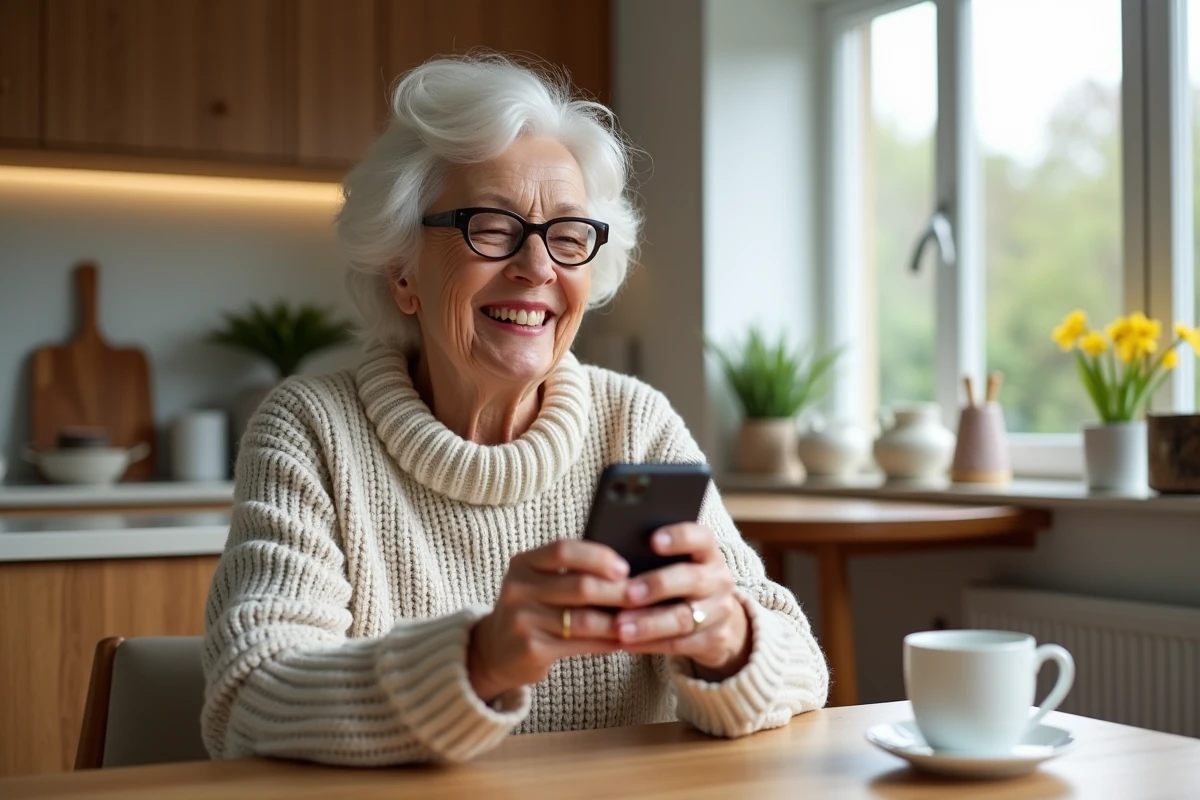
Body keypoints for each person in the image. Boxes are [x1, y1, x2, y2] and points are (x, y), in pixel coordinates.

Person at [201, 54, 829, 766]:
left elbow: (802, 668)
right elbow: (249, 699)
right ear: (401, 268)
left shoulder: (634, 422)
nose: (537, 268)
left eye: (567, 236)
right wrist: (479, 660)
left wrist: (728, 639)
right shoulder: (312, 428)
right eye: (491, 227)